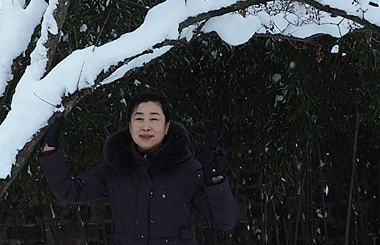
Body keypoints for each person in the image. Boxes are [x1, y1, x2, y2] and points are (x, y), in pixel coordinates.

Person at [39, 93, 238, 245]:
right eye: (139, 118)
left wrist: (215, 182)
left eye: (154, 118)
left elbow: (224, 222)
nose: (146, 126)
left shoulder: (189, 170)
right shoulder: (116, 168)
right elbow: (69, 192)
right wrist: (50, 149)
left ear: (167, 126)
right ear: (130, 125)